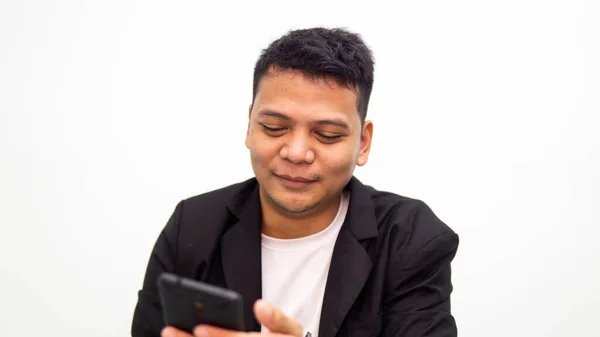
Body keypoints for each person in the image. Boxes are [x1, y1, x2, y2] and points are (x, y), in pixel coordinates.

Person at [131, 27, 459, 337]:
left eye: (327, 135)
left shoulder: (410, 238)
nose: (297, 152)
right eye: (274, 127)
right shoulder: (192, 227)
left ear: (363, 142)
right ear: (249, 126)